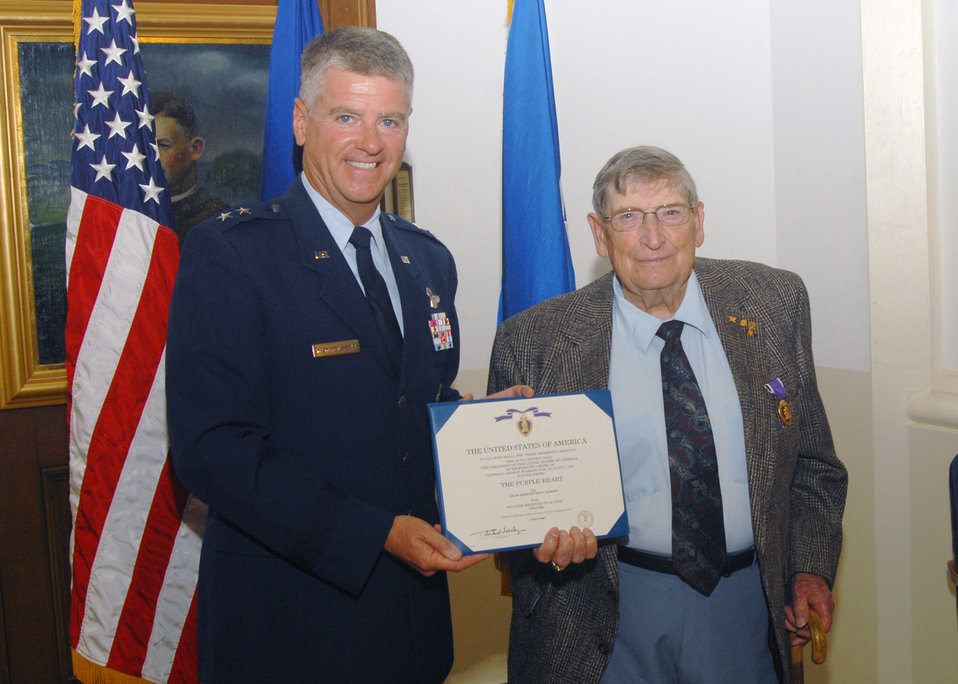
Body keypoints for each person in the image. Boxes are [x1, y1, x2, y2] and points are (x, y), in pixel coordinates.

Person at [166, 27, 527, 683]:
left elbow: (409, 404)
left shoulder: (427, 260)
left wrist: (480, 427)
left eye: (389, 119)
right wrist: (376, 532)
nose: (370, 142)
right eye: (346, 117)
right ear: (302, 122)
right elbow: (212, 449)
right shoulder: (235, 255)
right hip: (289, 627)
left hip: (410, 628)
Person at [487, 146, 848, 683]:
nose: (652, 237)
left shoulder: (775, 303)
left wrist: (810, 567)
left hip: (747, 603)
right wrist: (500, 468)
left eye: (671, 213)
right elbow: (511, 514)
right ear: (599, 233)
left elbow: (815, 468)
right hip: (599, 609)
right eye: (629, 217)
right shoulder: (535, 342)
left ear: (698, 222)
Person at [151, 91, 227, 244]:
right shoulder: (125, 213)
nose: (152, 157)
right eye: (144, 148)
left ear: (195, 149)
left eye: (163, 146)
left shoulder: (216, 220)